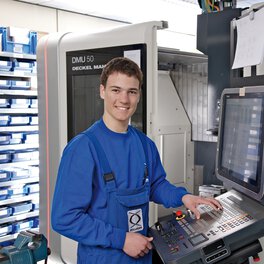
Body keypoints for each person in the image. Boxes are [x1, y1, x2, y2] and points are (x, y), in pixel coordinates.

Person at [51, 57, 222, 264]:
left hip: (142, 256)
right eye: (116, 90)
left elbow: (156, 185)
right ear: (102, 91)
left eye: (131, 92)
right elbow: (64, 218)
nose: (124, 99)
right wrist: (121, 239)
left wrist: (184, 197)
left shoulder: (144, 144)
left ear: (138, 95)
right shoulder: (82, 149)